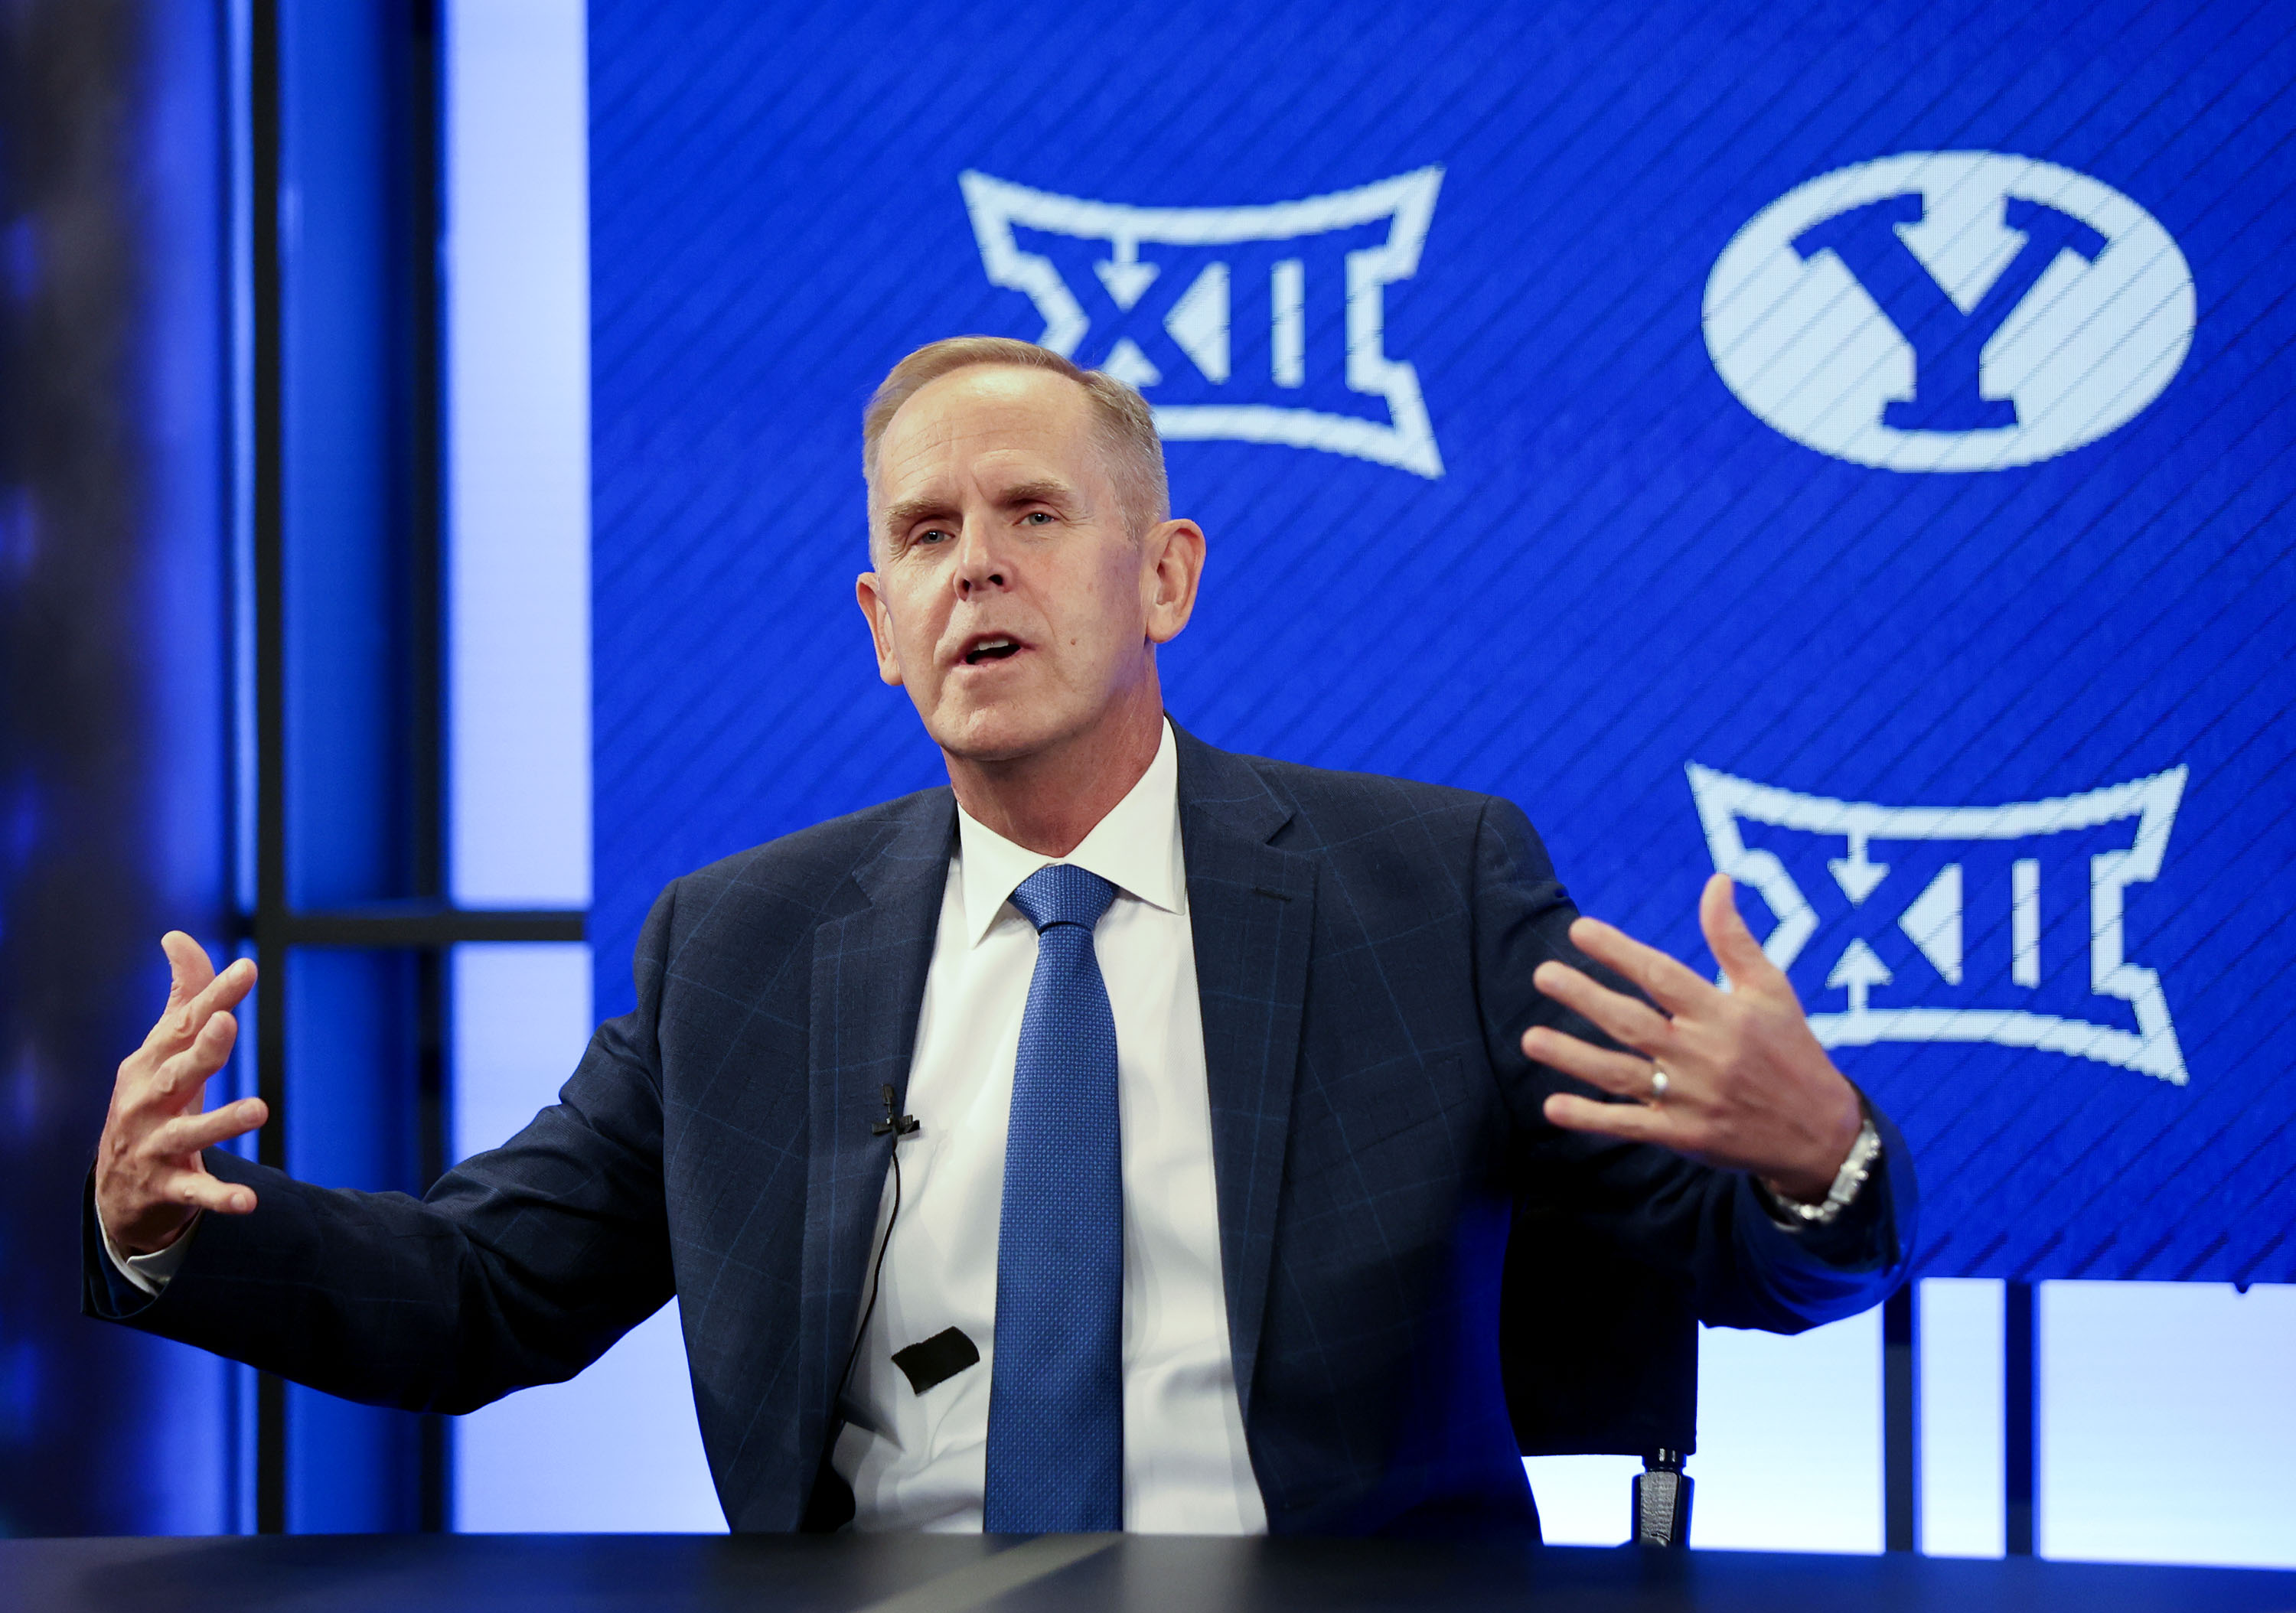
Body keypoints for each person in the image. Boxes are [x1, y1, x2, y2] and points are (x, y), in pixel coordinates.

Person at [87, 337, 1913, 1536]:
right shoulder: (743, 949)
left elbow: (1749, 1266)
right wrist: (173, 1231)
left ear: (1165, 576)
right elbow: (485, 1294)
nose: (977, 565)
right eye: (928, 534)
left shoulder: (1424, 893)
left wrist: (1818, 1161)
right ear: (881, 624)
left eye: (1035, 515)